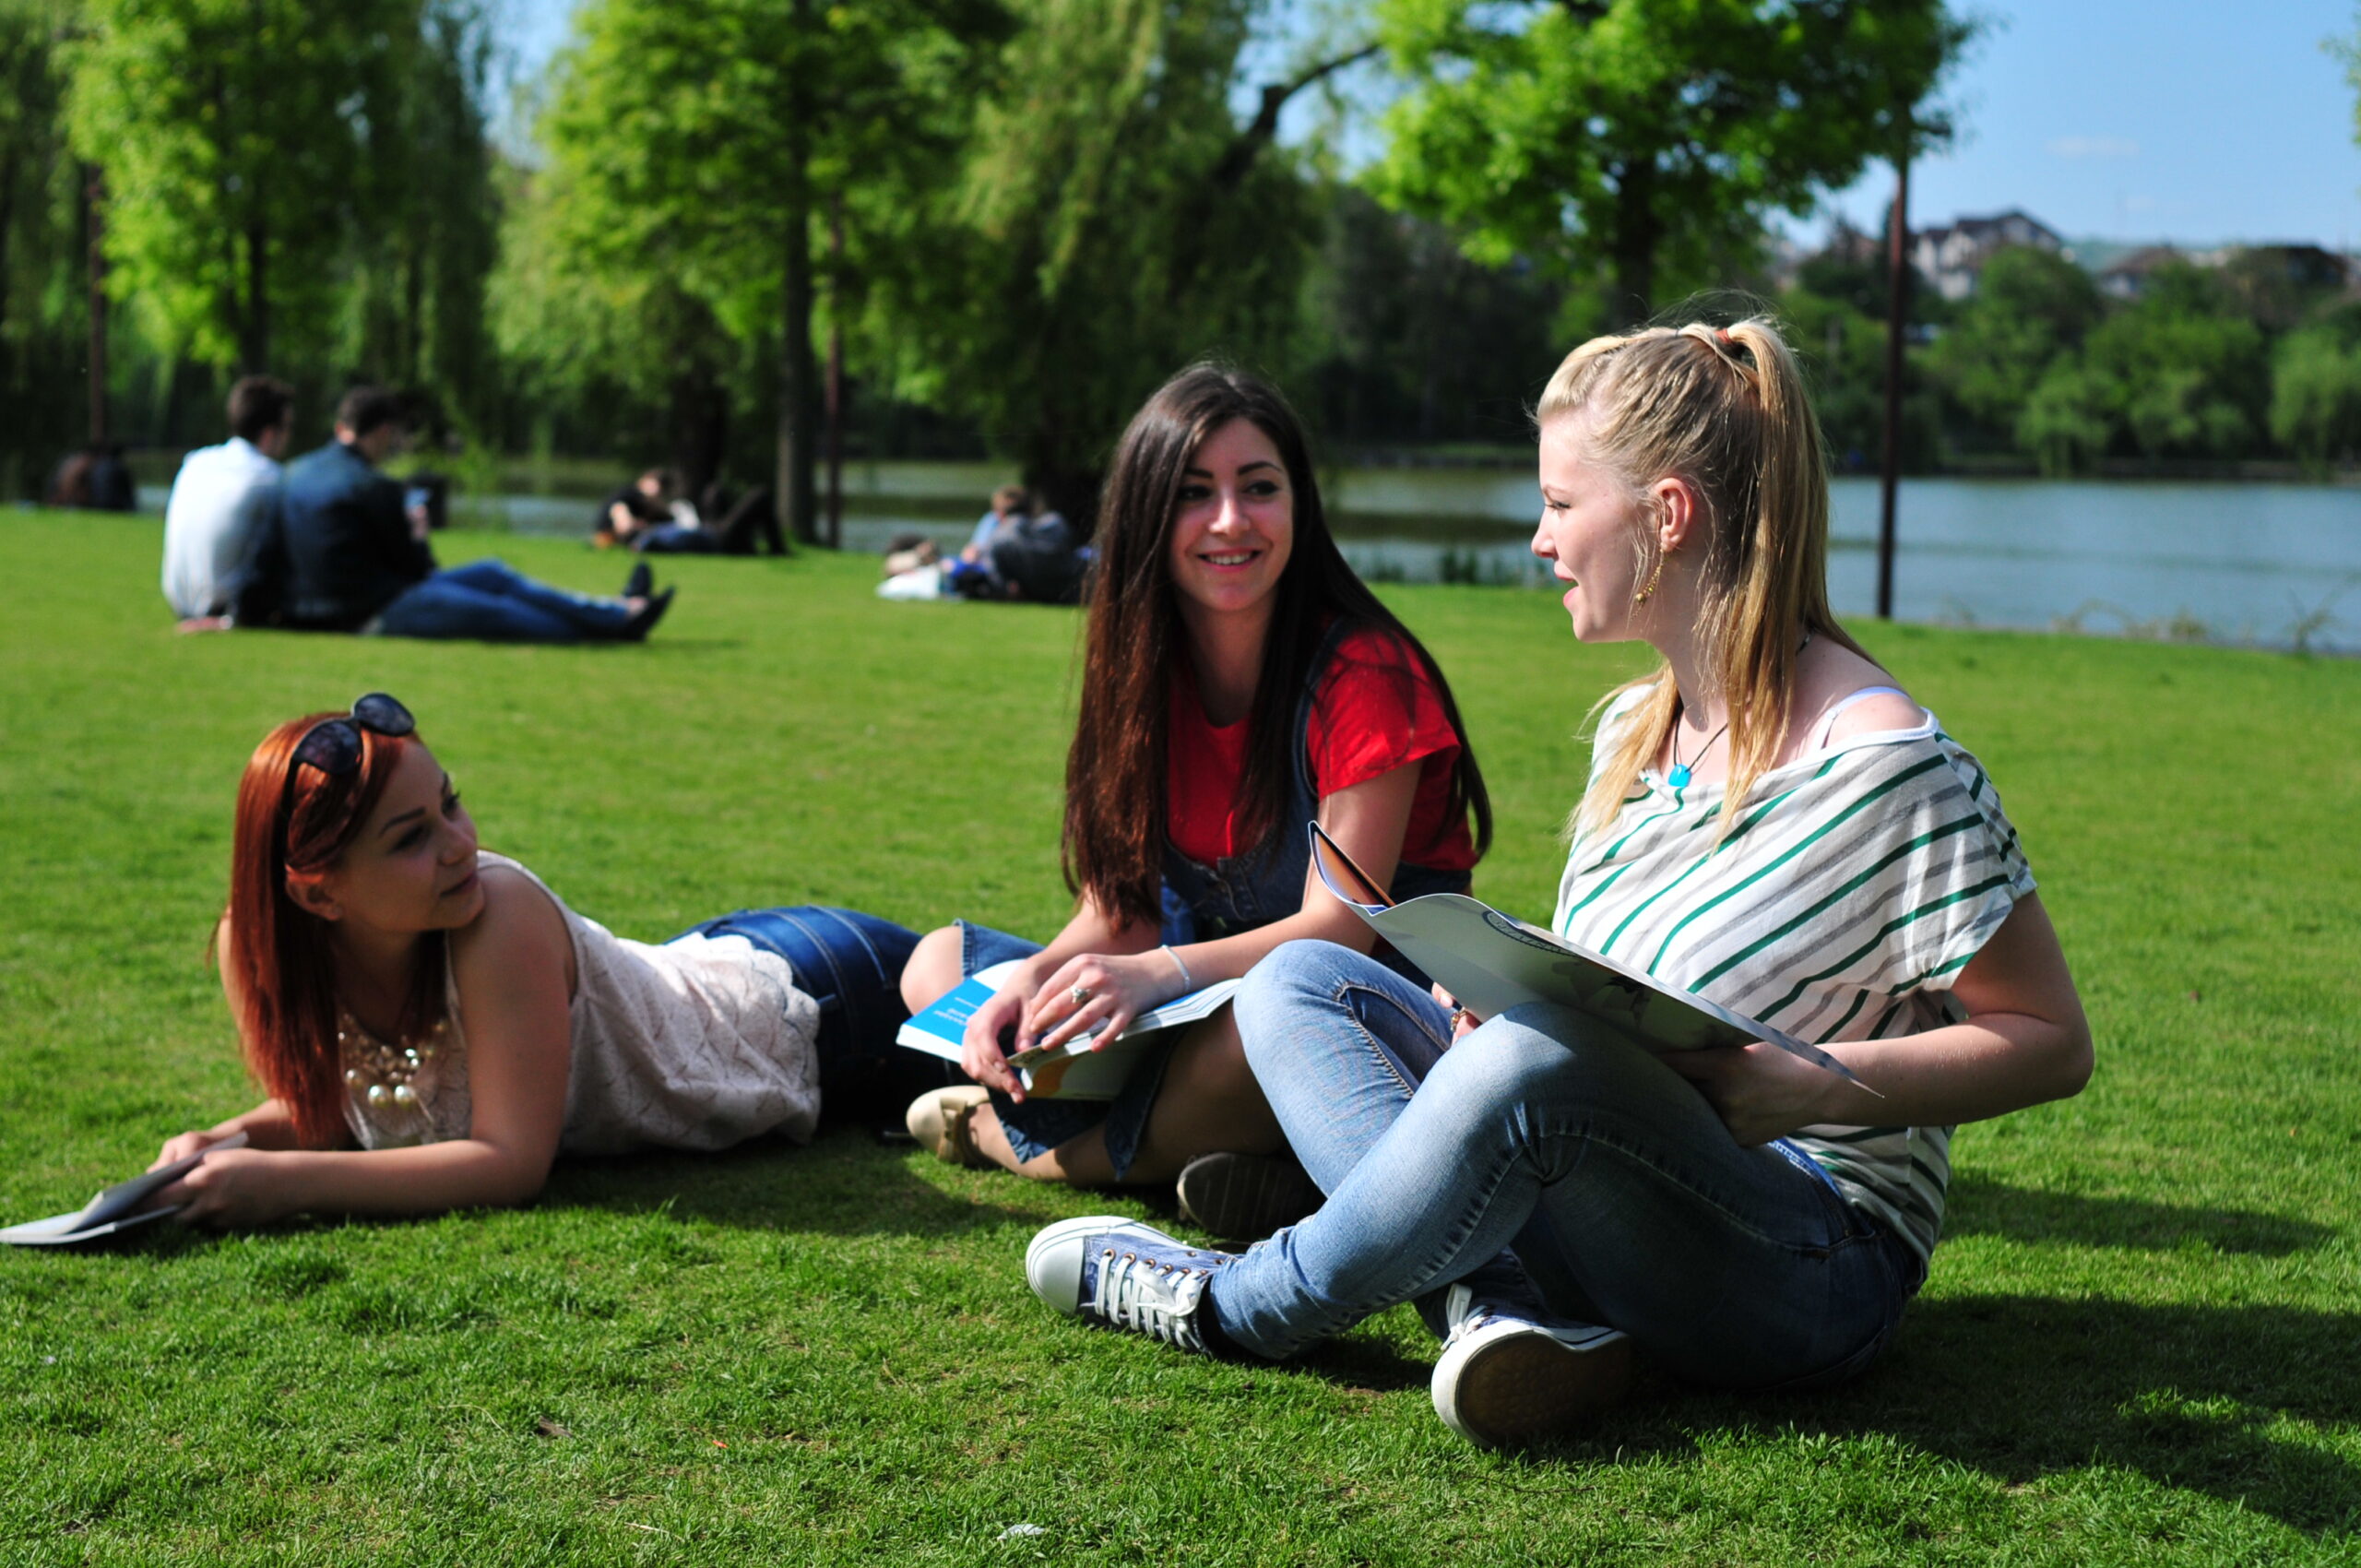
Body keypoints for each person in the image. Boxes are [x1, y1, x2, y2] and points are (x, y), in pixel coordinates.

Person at [1021, 317, 2094, 1449]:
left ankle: (1238, 1303)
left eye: (1558, 502)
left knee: (1527, 1064)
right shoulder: (1638, 725)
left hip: (1806, 1256)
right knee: (1302, 979)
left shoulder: (1886, 765)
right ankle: (1502, 1313)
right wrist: (1494, 996)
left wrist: (1811, 1084)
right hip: (1608, 1195)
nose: (1539, 539)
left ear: (1666, 516)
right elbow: (1616, 999)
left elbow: (2049, 1041)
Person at [896, 363, 1493, 1241]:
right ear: (1146, 513)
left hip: (1341, 1020)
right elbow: (1121, 913)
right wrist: (1036, 976)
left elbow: (1334, 935)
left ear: (1299, 505)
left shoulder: (1364, 674)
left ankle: (1024, 1146)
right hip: (1186, 1006)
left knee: (1258, 1031)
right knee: (938, 965)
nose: (1229, 520)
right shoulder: (1141, 675)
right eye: (1193, 493)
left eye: (1259, 488)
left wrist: (1156, 975)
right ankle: (1243, 1160)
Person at [143, 694, 944, 1227]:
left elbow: (509, 1163)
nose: (462, 844)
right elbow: (349, 1111)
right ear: (317, 896)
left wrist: (282, 1186)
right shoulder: (257, 950)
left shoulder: (497, 913)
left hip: (820, 1000)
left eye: (449, 803)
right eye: (411, 838)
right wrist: (225, 1141)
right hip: (716, 970)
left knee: (1008, 1039)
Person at [251, 386, 672, 643]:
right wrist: (418, 535)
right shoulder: (374, 486)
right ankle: (612, 625)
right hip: (368, 611)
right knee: (501, 612)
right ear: (382, 432)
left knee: (492, 574)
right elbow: (416, 569)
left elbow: (265, 554)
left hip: (326, 607)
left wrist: (241, 613)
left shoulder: (291, 475)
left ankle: (616, 611)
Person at [161, 376, 294, 624]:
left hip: (179, 603)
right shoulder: (269, 477)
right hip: (225, 608)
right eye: (287, 428)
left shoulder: (194, 463)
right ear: (269, 434)